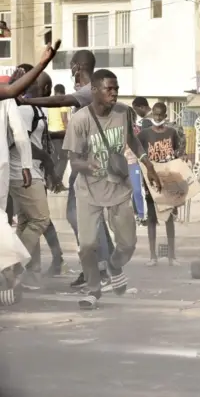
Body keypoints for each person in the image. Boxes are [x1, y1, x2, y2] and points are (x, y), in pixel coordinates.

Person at [62, 69, 162, 310]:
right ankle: (93, 290)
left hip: (118, 188)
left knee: (127, 245)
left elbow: (132, 139)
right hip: (88, 191)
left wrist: (147, 163)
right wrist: (87, 164)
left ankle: (114, 265)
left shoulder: (124, 112)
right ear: (94, 91)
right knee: (86, 246)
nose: (114, 93)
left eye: (116, 88)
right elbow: (73, 160)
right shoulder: (80, 120)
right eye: (109, 88)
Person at [20, 49, 115, 289]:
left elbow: (61, 100)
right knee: (91, 217)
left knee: (79, 217)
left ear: (76, 67)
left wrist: (27, 99)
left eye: (71, 66)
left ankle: (100, 271)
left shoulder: (89, 90)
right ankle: (104, 267)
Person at [0, 40, 61, 306]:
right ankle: (10, 274)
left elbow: (20, 136)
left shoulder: (8, 97)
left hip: (4, 170)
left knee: (6, 227)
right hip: (9, 170)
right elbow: (20, 137)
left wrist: (43, 62)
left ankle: (9, 276)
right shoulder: (15, 101)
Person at [8, 66, 65, 287]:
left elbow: (35, 136)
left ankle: (19, 273)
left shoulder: (30, 108)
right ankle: (13, 267)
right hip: (25, 171)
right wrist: (49, 163)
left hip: (27, 170)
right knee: (40, 219)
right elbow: (23, 143)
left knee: (26, 221)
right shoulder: (23, 108)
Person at [137, 102, 183, 267]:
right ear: (152, 115)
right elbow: (138, 153)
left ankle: (172, 257)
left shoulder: (172, 133)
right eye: (155, 115)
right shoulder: (144, 135)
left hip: (168, 181)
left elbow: (178, 154)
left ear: (165, 116)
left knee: (169, 218)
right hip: (151, 182)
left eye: (160, 115)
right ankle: (152, 256)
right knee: (151, 218)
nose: (157, 118)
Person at [47, 84, 71, 180]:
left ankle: (51, 181)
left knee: (54, 159)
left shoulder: (50, 102)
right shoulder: (63, 101)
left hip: (50, 133)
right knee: (63, 158)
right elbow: (64, 119)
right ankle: (55, 181)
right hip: (61, 134)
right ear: (63, 91)